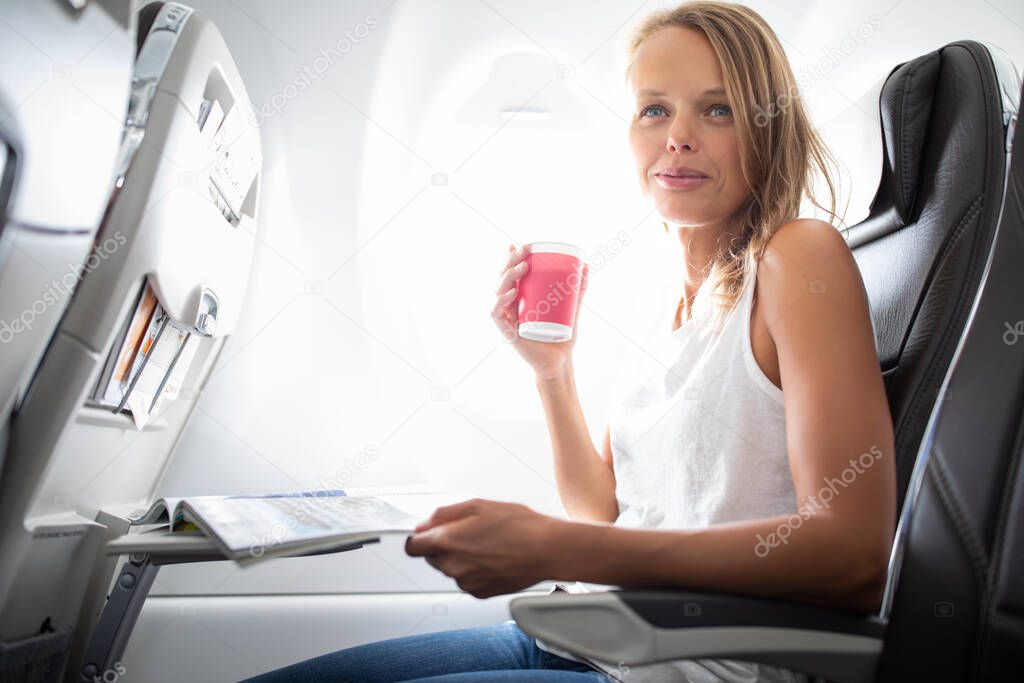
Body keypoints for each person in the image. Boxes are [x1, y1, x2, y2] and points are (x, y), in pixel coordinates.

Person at [243, 1, 895, 681]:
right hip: (588, 634)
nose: (678, 137)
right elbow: (609, 512)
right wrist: (552, 373)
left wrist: (558, 546)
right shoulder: (672, 308)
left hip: (681, 663)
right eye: (653, 110)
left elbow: (852, 552)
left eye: (717, 110)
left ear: (768, 127)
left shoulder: (798, 258)